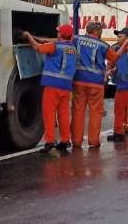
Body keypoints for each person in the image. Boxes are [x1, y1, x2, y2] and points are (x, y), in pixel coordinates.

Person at [23, 25, 77, 154]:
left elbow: (37, 47)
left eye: (58, 32)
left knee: (49, 114)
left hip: (52, 86)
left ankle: (50, 142)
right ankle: (65, 140)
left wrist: (28, 36)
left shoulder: (55, 46)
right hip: (66, 86)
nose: (56, 33)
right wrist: (37, 37)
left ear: (60, 35)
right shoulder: (73, 48)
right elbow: (47, 41)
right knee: (63, 114)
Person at [71, 21, 117, 149]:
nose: (102, 32)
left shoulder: (76, 39)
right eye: (101, 30)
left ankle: (76, 141)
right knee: (95, 113)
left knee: (78, 112)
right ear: (96, 31)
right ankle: (93, 141)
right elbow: (113, 58)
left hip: (78, 81)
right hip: (96, 83)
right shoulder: (103, 45)